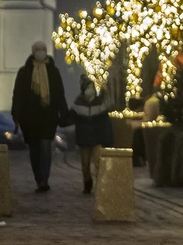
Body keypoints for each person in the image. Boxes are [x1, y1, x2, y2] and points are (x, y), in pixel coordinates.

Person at [11, 40, 67, 192]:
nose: (40, 52)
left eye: (43, 49)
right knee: (34, 149)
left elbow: (59, 94)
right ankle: (38, 178)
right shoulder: (25, 72)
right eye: (37, 49)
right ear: (33, 51)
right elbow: (18, 94)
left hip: (48, 117)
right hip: (30, 119)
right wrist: (16, 114)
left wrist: (63, 113)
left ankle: (44, 180)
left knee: (45, 146)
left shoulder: (53, 71)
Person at [72, 75, 113, 194]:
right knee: (85, 164)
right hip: (83, 138)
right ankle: (87, 182)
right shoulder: (78, 103)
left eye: (92, 87)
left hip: (97, 137)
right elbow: (71, 117)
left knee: (99, 162)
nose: (90, 90)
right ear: (83, 89)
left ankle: (101, 184)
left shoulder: (99, 102)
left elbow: (106, 117)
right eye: (88, 87)